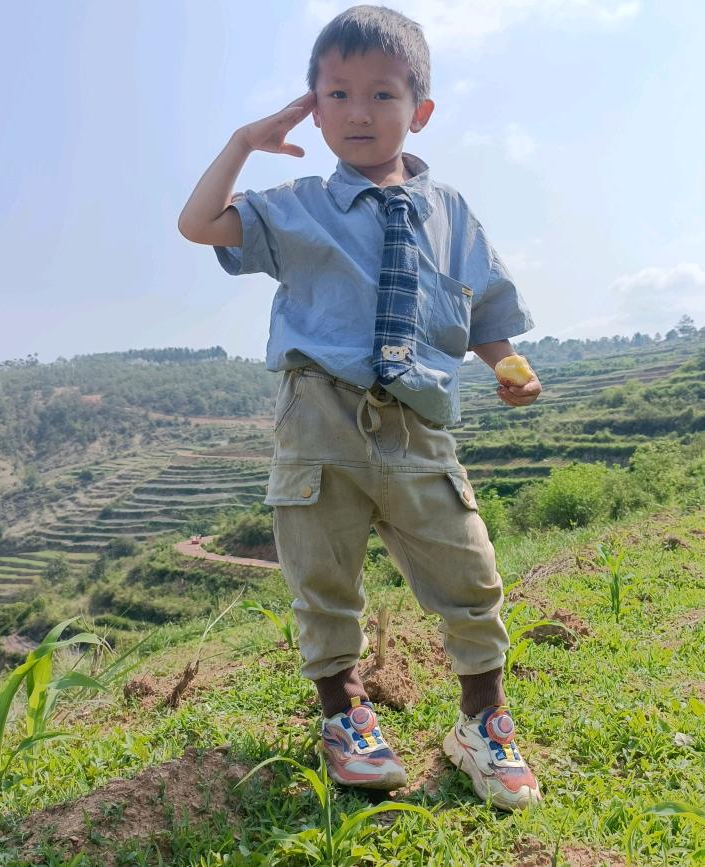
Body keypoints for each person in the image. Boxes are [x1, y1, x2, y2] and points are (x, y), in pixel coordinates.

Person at [178, 4, 543, 811]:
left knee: (469, 572)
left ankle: (483, 723)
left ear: (420, 110)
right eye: (336, 93)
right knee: (323, 578)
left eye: (382, 94)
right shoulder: (295, 205)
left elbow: (485, 313)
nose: (358, 112)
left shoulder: (452, 213)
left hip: (417, 426)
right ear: (312, 107)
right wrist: (242, 143)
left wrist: (508, 367)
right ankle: (346, 718)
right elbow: (198, 223)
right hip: (318, 421)